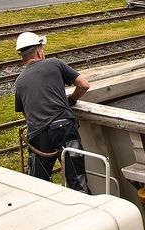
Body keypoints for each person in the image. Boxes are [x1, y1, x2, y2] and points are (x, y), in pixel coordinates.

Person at [13, 31, 91, 192]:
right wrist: (71, 101)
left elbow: (26, 115)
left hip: (38, 137)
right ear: (39, 52)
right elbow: (83, 85)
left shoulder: (19, 82)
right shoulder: (54, 64)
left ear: (22, 57)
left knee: (39, 186)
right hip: (64, 129)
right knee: (77, 182)